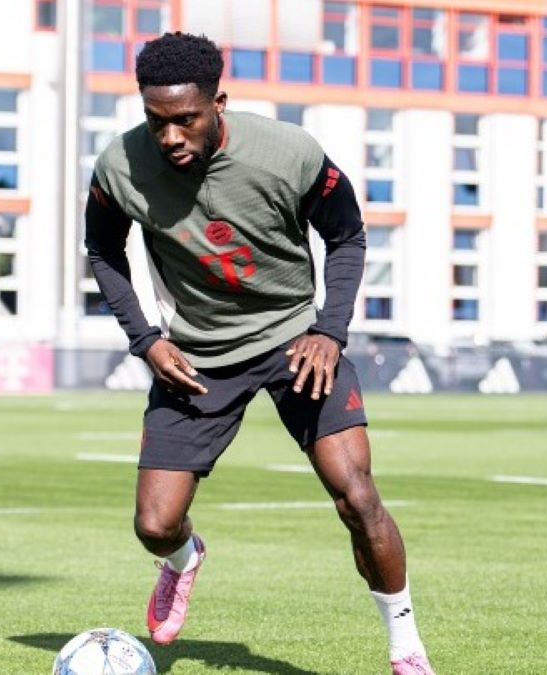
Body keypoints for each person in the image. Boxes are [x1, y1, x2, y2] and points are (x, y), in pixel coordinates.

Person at [83, 32, 435, 675]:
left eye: (186, 119)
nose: (170, 137)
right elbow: (103, 252)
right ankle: (184, 560)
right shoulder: (118, 168)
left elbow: (348, 236)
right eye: (156, 122)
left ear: (218, 103)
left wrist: (329, 331)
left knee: (357, 498)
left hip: (296, 341)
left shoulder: (289, 153)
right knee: (155, 525)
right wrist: (147, 340)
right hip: (195, 354)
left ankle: (406, 647)